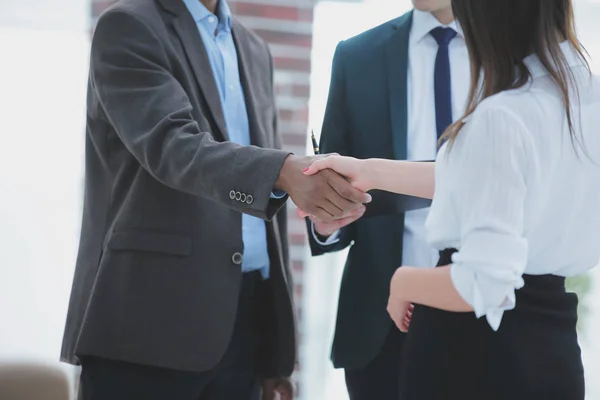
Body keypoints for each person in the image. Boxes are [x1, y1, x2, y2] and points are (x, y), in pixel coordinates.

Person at [59, 0, 370, 399]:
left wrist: (275, 352)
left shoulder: (253, 48)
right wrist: (282, 171)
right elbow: (172, 147)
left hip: (245, 326)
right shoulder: (129, 25)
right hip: (148, 326)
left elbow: (264, 206)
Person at [304, 0, 600, 398]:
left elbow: (485, 282)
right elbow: (487, 178)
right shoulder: (581, 94)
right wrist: (371, 171)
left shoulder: (502, 114)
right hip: (551, 343)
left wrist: (404, 281)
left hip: (479, 349)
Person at [302, 1, 469, 398]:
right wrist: (326, 220)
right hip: (382, 329)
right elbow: (332, 184)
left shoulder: (513, 56)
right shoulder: (358, 56)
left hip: (488, 314)